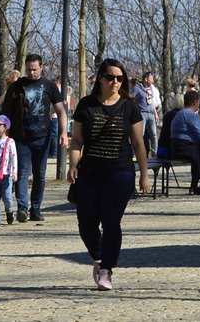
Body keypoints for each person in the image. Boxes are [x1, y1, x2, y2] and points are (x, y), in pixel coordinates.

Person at [68, 58, 150, 291]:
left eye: (120, 78)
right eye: (111, 77)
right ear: (101, 79)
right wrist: (73, 165)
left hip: (120, 173)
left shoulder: (129, 106)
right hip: (90, 173)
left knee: (112, 222)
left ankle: (106, 270)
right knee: (86, 223)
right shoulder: (86, 105)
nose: (115, 82)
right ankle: (98, 257)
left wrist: (144, 174)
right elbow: (76, 140)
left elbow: (138, 143)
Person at [0, 54, 68, 223]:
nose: (31, 73)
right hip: (21, 137)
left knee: (40, 175)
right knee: (22, 174)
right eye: (29, 69)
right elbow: (5, 113)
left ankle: (35, 209)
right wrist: (3, 134)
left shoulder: (50, 86)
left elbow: (61, 111)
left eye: (34, 69)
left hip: (42, 138)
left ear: (41, 67)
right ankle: (22, 208)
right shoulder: (16, 87)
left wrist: (64, 132)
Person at [132, 72, 158, 156]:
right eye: (151, 78)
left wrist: (156, 113)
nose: (153, 80)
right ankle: (137, 153)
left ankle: (155, 153)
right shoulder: (137, 88)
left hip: (151, 114)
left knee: (154, 134)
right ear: (146, 79)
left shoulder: (151, 88)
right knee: (140, 135)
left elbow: (152, 102)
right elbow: (131, 98)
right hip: (142, 114)